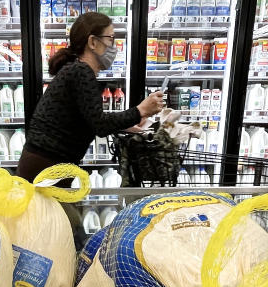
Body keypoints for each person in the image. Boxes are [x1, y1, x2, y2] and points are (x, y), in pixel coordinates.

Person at [17, 12, 164, 182]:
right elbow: (100, 124)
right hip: (46, 164)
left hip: (46, 163)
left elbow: (88, 119)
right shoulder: (81, 72)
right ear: (93, 42)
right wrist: (141, 110)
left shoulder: (76, 70)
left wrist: (126, 124)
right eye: (110, 39)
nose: (114, 47)